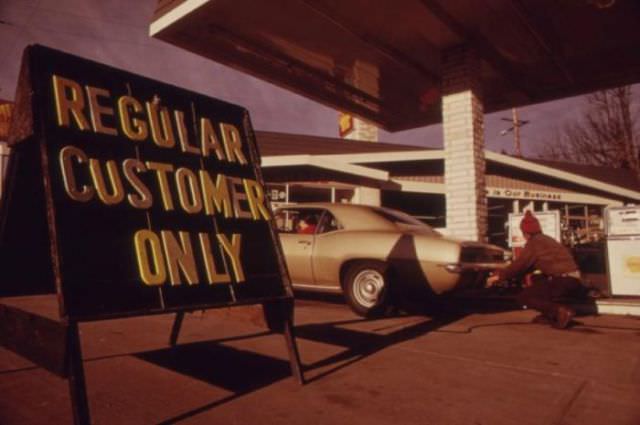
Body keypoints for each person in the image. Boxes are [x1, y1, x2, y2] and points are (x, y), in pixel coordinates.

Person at [486, 210, 581, 329]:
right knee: (538, 280)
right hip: (573, 280)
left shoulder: (534, 243)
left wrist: (497, 277)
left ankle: (560, 311)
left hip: (565, 280)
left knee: (524, 296)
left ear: (526, 232)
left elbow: (518, 267)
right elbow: (529, 267)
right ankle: (549, 316)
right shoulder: (546, 239)